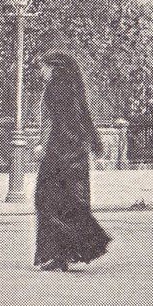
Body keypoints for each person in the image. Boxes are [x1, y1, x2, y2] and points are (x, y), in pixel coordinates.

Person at [33, 50, 111, 272]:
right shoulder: (74, 89)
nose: (41, 73)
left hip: (58, 155)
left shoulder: (53, 91)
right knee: (70, 203)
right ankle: (66, 253)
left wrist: (42, 146)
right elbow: (84, 117)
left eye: (43, 68)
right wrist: (95, 146)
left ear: (54, 68)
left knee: (46, 201)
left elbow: (51, 123)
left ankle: (57, 255)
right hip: (75, 155)